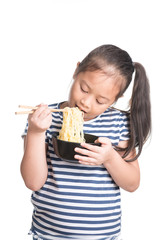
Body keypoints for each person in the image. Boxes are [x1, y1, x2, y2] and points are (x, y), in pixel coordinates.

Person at [21, 44, 151, 240]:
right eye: (84, 89)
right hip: (48, 234)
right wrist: (36, 133)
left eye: (101, 101)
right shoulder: (45, 119)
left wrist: (109, 158)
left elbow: (132, 184)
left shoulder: (118, 124)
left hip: (102, 236)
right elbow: (33, 182)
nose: (86, 103)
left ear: (116, 99)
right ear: (76, 70)